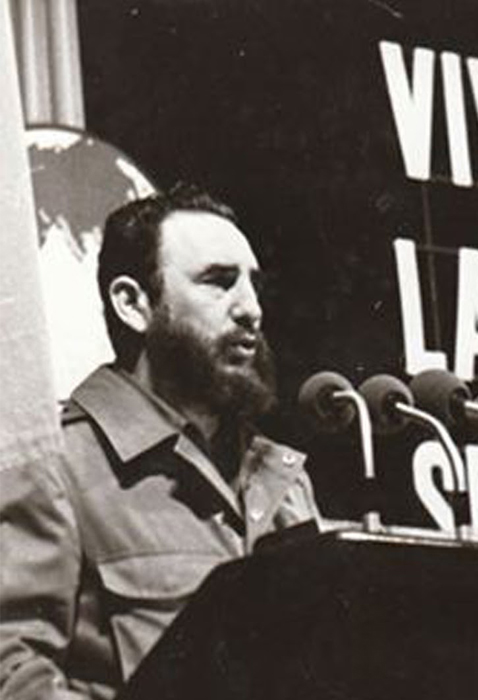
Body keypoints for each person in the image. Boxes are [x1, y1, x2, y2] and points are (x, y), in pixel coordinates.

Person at [0, 185, 324, 700]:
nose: (251, 309)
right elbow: (12, 674)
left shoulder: (283, 479)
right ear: (133, 304)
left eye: (254, 285)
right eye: (219, 282)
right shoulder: (55, 467)